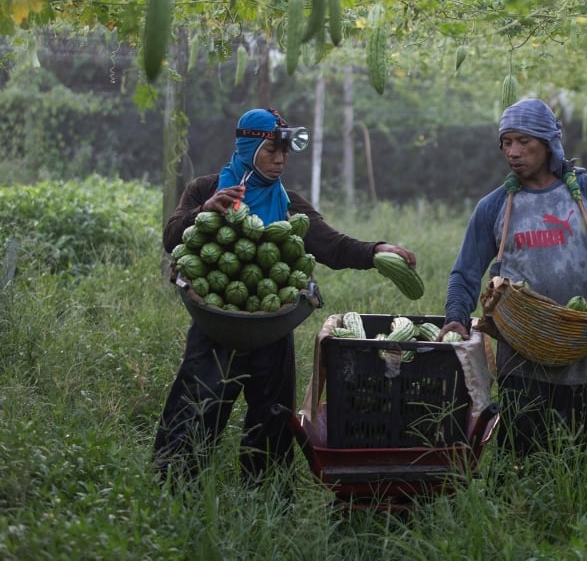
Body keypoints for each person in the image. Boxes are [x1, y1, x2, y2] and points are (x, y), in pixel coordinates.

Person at [154, 108, 416, 488]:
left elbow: (331, 245)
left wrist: (377, 250)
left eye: (285, 154)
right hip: (217, 323)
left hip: (271, 326)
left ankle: (265, 491)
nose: (280, 161)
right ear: (247, 146)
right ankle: (175, 485)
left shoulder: (289, 203)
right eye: (271, 152)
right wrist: (203, 212)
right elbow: (171, 237)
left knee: (272, 416)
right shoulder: (206, 189)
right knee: (198, 404)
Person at [438, 98, 587, 470]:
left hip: (579, 358)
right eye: (506, 142)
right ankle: (514, 521)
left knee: (576, 463)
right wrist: (455, 316)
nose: (513, 152)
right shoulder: (494, 206)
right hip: (520, 361)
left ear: (548, 143)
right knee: (518, 461)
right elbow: (465, 272)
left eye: (523, 142)